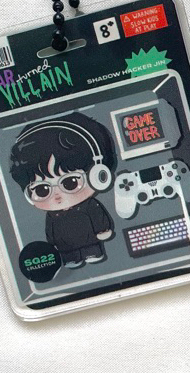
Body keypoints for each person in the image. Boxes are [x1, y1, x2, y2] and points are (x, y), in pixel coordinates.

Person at [10, 113, 116, 268]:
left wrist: (103, 229)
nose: (57, 195)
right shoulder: (52, 215)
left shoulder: (89, 205)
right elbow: (50, 230)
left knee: (91, 248)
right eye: (41, 190)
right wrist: (52, 244)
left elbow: (98, 217)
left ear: (98, 176)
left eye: (70, 182)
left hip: (90, 239)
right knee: (69, 254)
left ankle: (93, 253)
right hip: (65, 246)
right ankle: (71, 258)